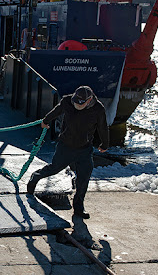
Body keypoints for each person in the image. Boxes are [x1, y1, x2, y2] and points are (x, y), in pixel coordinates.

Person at [27, 86, 109, 222]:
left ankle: (78, 207)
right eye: (75, 102)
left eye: (80, 103)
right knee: (54, 168)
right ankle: (35, 177)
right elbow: (56, 111)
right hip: (66, 146)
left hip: (85, 148)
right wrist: (46, 121)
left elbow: (102, 127)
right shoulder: (67, 101)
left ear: (89, 100)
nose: (76, 105)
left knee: (84, 177)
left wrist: (104, 144)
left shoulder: (98, 109)